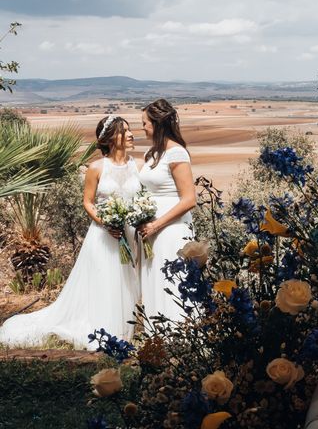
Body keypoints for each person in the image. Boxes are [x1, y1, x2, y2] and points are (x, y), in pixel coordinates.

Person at [0, 116, 141, 349]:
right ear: (108, 139)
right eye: (123, 131)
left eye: (129, 130)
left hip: (128, 234)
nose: (130, 134)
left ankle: (125, 327)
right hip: (103, 236)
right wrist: (106, 223)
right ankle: (105, 330)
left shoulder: (138, 165)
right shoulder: (96, 168)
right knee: (104, 279)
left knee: (125, 281)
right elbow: (88, 202)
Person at [138, 99, 196, 321]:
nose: (142, 128)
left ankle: (180, 335)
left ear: (158, 124)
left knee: (173, 280)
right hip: (150, 229)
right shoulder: (151, 154)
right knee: (155, 280)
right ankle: (157, 334)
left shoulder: (177, 153)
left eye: (145, 123)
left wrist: (156, 224)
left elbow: (189, 199)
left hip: (170, 229)